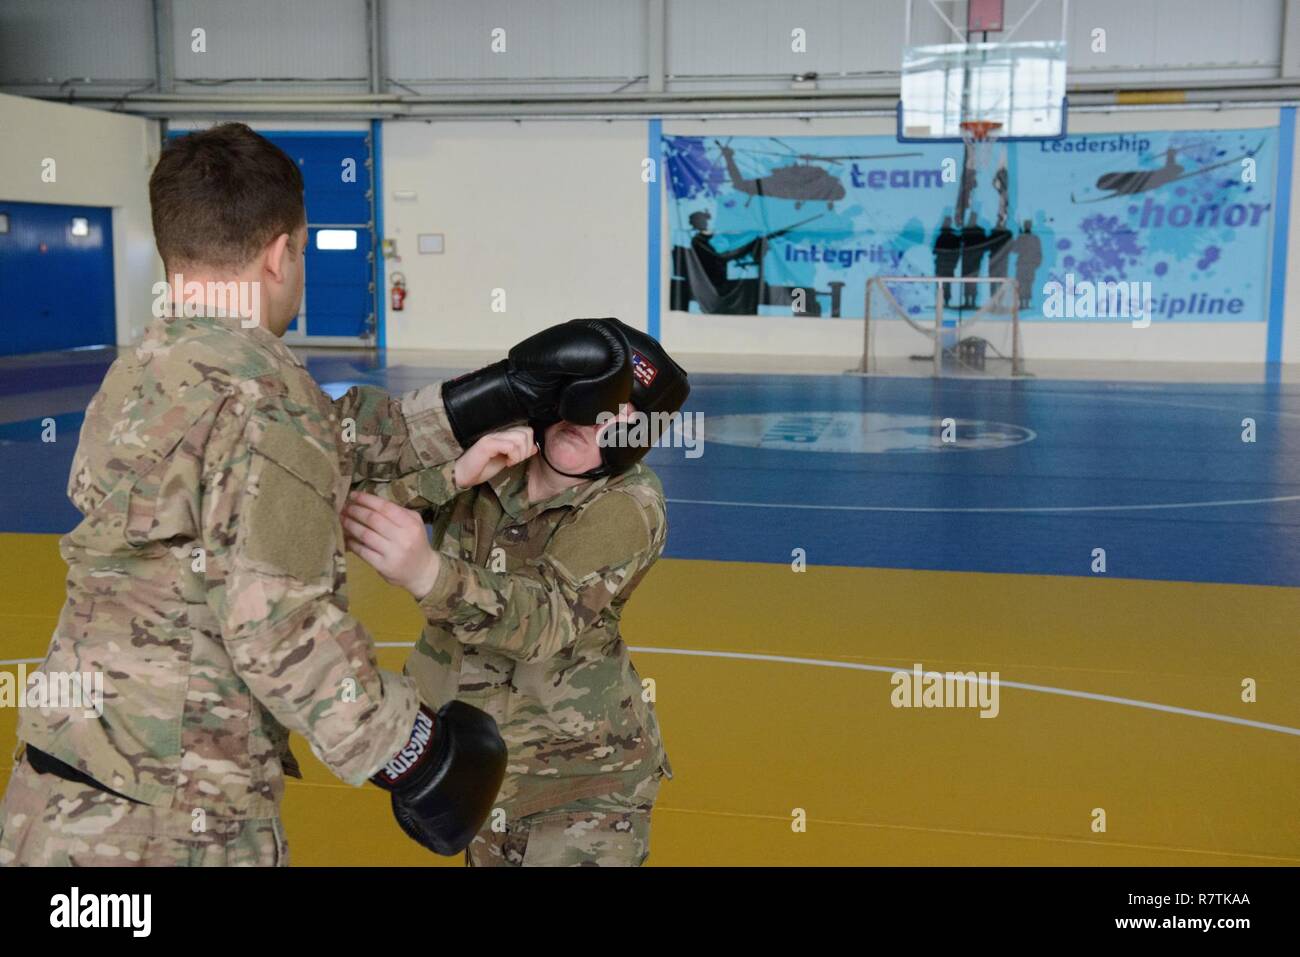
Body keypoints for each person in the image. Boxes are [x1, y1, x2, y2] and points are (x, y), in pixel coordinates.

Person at [0, 123, 632, 866]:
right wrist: (415, 753)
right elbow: (279, 626)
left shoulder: (148, 370)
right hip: (174, 820)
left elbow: (328, 445)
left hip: (63, 794)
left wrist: (491, 396)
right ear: (280, 253)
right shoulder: (266, 400)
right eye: (302, 250)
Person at [342, 320, 688, 866]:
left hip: (579, 788)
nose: (590, 425)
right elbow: (349, 500)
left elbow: (543, 616)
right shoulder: (496, 452)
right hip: (477, 771)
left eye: (615, 422)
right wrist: (452, 476)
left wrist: (430, 574)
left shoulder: (630, 504)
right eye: (589, 401)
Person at [959, 211, 988, 308]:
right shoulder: (969, 230)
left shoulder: (970, 230)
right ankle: (969, 301)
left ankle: (971, 301)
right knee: (969, 280)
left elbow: (984, 245)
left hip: (972, 259)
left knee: (971, 280)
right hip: (970, 259)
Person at [1013, 219, 1043, 309]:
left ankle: (1023, 303)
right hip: (1029, 265)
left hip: (1023, 264)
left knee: (1023, 284)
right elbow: (1039, 253)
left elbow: (1014, 249)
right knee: (1027, 284)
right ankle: (1025, 303)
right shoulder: (1035, 238)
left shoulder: (1022, 238)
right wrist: (1036, 264)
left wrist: (1019, 237)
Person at [932, 215, 961, 306]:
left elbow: (935, 251)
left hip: (944, 264)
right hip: (946, 264)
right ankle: (945, 301)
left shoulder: (942, 237)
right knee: (946, 283)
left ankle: (944, 301)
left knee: (943, 283)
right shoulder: (951, 237)